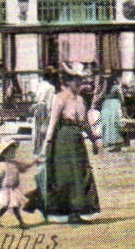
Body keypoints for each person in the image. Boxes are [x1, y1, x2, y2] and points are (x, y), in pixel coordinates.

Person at [41, 70, 101, 223]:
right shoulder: (60, 98)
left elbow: (85, 123)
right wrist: (47, 142)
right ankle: (67, 212)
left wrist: (94, 140)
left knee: (81, 173)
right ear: (68, 82)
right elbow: (53, 122)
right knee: (66, 174)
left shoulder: (80, 100)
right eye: (76, 81)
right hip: (62, 138)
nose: (79, 84)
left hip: (77, 139)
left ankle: (78, 211)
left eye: (80, 81)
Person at [0, 138, 41, 229]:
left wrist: (34, 162)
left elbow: (25, 166)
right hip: (5, 189)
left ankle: (21, 223)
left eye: (13, 152)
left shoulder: (15, 164)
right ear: (3, 154)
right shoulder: (2, 165)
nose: (12, 154)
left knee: (15, 205)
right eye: (10, 152)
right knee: (5, 205)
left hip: (13, 189)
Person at [97, 71, 128, 152]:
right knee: (113, 125)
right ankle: (115, 144)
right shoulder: (115, 87)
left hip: (108, 106)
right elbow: (122, 99)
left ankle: (111, 144)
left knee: (109, 126)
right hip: (112, 106)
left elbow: (100, 97)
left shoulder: (105, 89)